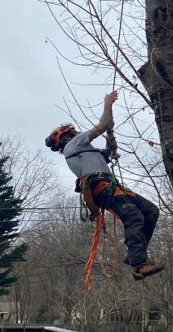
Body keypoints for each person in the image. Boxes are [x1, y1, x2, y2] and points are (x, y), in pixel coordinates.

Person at [45, 91, 163, 280]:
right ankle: (139, 265)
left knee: (150, 211)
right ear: (68, 136)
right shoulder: (73, 145)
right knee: (133, 216)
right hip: (101, 187)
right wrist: (107, 104)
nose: (77, 133)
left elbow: (109, 144)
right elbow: (102, 125)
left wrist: (111, 141)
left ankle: (134, 254)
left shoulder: (86, 151)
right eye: (73, 132)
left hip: (111, 185)